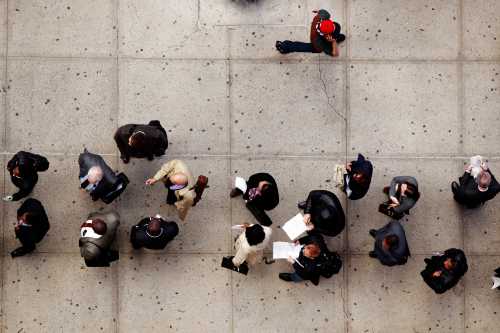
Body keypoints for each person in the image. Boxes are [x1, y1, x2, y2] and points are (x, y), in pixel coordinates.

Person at [275, 9, 345, 57]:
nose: (317, 28)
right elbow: (335, 54)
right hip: (320, 42)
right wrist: (333, 41)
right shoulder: (320, 42)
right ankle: (284, 46)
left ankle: (284, 46)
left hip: (318, 41)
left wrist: (333, 42)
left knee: (301, 46)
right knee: (302, 47)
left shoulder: (318, 18)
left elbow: (335, 54)